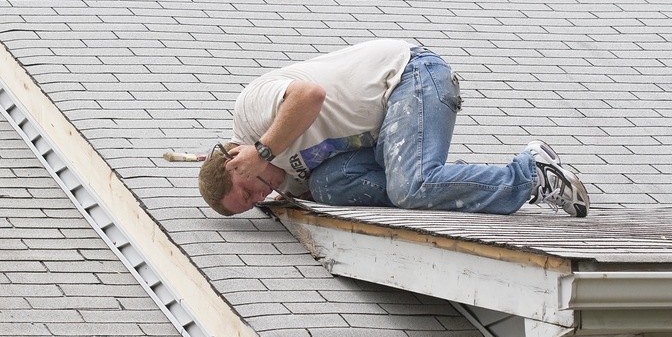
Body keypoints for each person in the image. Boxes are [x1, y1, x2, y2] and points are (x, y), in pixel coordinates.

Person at [199, 39, 589, 218]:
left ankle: (532, 173)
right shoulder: (284, 182)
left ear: (236, 161)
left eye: (249, 189)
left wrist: (262, 150)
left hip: (410, 78)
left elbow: (309, 95)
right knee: (328, 188)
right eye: (253, 204)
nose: (261, 195)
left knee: (410, 187)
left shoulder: (251, 115)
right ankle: (445, 180)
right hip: (389, 130)